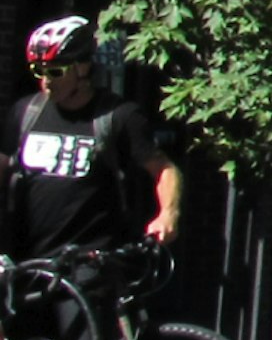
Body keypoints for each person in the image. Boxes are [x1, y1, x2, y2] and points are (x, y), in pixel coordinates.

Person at [9, 17, 178, 259]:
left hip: (90, 264)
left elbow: (164, 169)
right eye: (39, 70)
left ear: (82, 67)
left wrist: (168, 214)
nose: (46, 81)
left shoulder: (118, 117)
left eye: (56, 71)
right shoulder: (24, 113)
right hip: (27, 262)